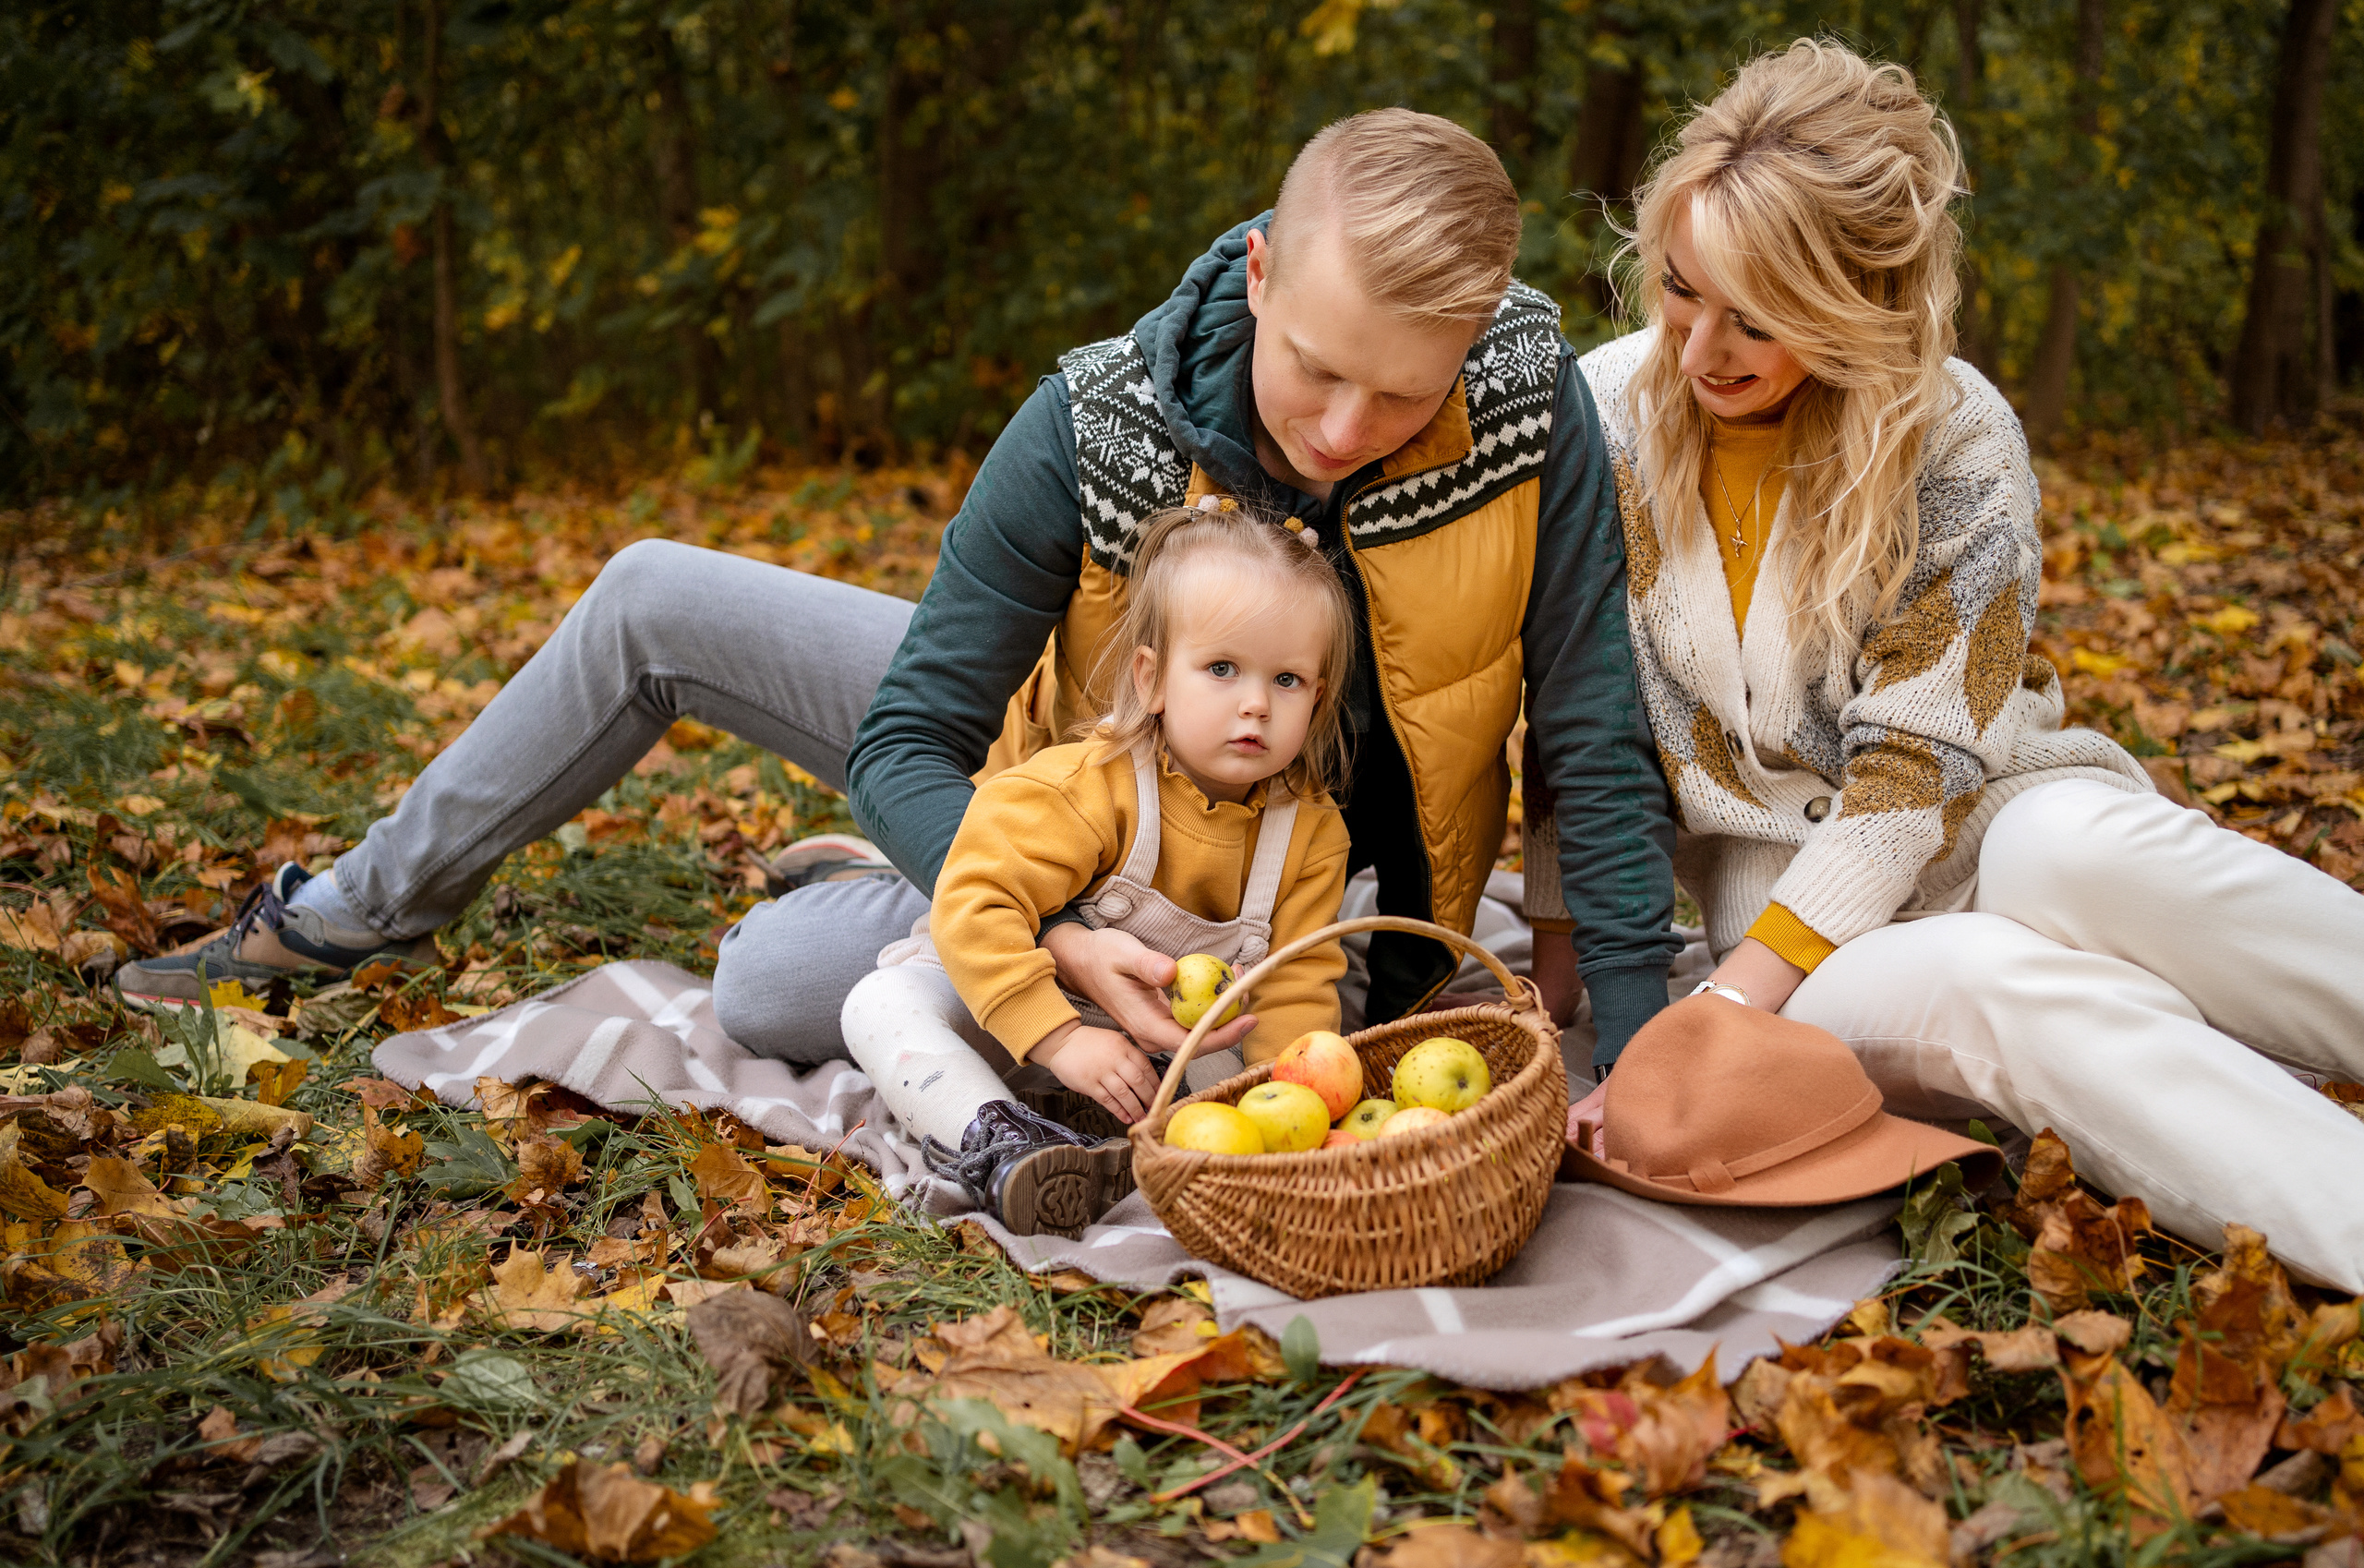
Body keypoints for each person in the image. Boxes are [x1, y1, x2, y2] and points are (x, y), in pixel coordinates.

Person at [121, 109, 1683, 1176]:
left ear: (1469, 350)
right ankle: (334, 919)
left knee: (773, 995)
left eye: (1400, 399)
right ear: (1260, 272)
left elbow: (1594, 734)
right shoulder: (1099, 419)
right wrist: (1053, 935)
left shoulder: (1530, 410)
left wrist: (1629, 1050)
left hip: (1291, 909)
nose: (1345, 433)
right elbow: (913, 733)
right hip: (1086, 797)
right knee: (658, 588)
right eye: (1313, 373)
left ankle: (873, 880)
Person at [1533, 40, 2364, 1292]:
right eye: (1679, 287)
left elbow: (1915, 771)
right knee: (1992, 987)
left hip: (1985, 811)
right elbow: (1576, 711)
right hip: (1794, 931)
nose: (1700, 347)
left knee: (2083, 853)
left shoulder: (1958, 432)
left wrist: (1732, 1009)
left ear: (1857, 300)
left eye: (1757, 317)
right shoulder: (1600, 416)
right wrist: (1594, 993)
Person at [841, 503, 1356, 1233]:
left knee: (1237, 1068)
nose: (1254, 704)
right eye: (1220, 668)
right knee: (880, 1002)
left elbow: (1296, 988)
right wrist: (1060, 1038)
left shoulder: (1310, 833)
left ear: (1319, 699)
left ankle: (1136, 1153)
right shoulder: (1092, 784)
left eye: (1287, 680)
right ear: (1152, 679)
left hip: (1161, 1043)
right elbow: (974, 897)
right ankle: (1001, 1143)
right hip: (1021, 1000)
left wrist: (1287, 1122)